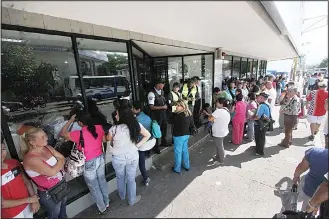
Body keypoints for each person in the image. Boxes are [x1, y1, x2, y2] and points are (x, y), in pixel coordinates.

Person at [60, 113, 110, 215]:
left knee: (94, 187)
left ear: (80, 123)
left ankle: (102, 208)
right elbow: (104, 139)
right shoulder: (99, 127)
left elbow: (62, 133)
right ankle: (107, 202)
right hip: (100, 158)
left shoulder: (79, 133)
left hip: (88, 162)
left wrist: (70, 121)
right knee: (102, 180)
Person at [107, 107, 151, 206]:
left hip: (118, 158)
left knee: (120, 178)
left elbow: (108, 140)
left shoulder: (113, 129)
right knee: (131, 180)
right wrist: (137, 146)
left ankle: (122, 195)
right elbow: (147, 135)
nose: (116, 115)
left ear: (122, 116)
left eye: (117, 114)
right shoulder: (136, 125)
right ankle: (132, 200)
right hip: (132, 156)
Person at [21, 128, 67, 218]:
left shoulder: (47, 148)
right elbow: (52, 172)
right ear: (32, 142)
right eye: (42, 137)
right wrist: (59, 163)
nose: (46, 138)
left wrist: (58, 165)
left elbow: (63, 158)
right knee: (54, 214)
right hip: (49, 193)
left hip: (61, 185)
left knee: (63, 210)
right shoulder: (31, 159)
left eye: (45, 135)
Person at [1, 138, 40, 218]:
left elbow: (27, 182)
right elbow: (2, 203)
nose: (1, 153)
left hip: (27, 206)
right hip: (11, 214)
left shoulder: (14, 162)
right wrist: (29, 200)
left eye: (3, 149)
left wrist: (34, 200)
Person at [292, 146, 328, 211]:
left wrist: (296, 177)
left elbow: (301, 167)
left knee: (305, 211)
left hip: (309, 191)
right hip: (325, 201)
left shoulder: (315, 152)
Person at [132, 102, 156, 186]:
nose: (132, 110)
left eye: (133, 108)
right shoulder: (147, 116)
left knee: (141, 163)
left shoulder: (136, 120)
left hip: (143, 144)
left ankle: (146, 178)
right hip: (151, 141)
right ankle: (148, 153)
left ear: (137, 109)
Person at [148, 78, 169, 154]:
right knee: (156, 130)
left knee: (164, 127)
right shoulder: (151, 93)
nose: (163, 85)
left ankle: (164, 141)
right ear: (158, 84)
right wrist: (162, 107)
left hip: (163, 114)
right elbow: (151, 107)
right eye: (162, 84)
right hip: (156, 115)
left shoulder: (162, 92)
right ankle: (156, 146)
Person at [171, 100, 193, 174]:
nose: (176, 107)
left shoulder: (177, 115)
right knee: (185, 150)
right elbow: (191, 124)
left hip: (178, 136)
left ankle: (177, 168)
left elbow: (170, 120)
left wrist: (173, 110)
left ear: (182, 106)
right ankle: (187, 166)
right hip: (186, 134)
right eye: (176, 105)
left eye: (178, 105)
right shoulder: (189, 113)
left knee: (178, 152)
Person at [208, 97, 231, 164]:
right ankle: (218, 157)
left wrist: (209, 114)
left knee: (220, 146)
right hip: (223, 131)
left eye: (217, 102)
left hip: (219, 132)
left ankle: (221, 160)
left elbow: (210, 119)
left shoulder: (218, 111)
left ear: (221, 104)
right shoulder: (226, 109)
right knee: (218, 145)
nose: (216, 103)